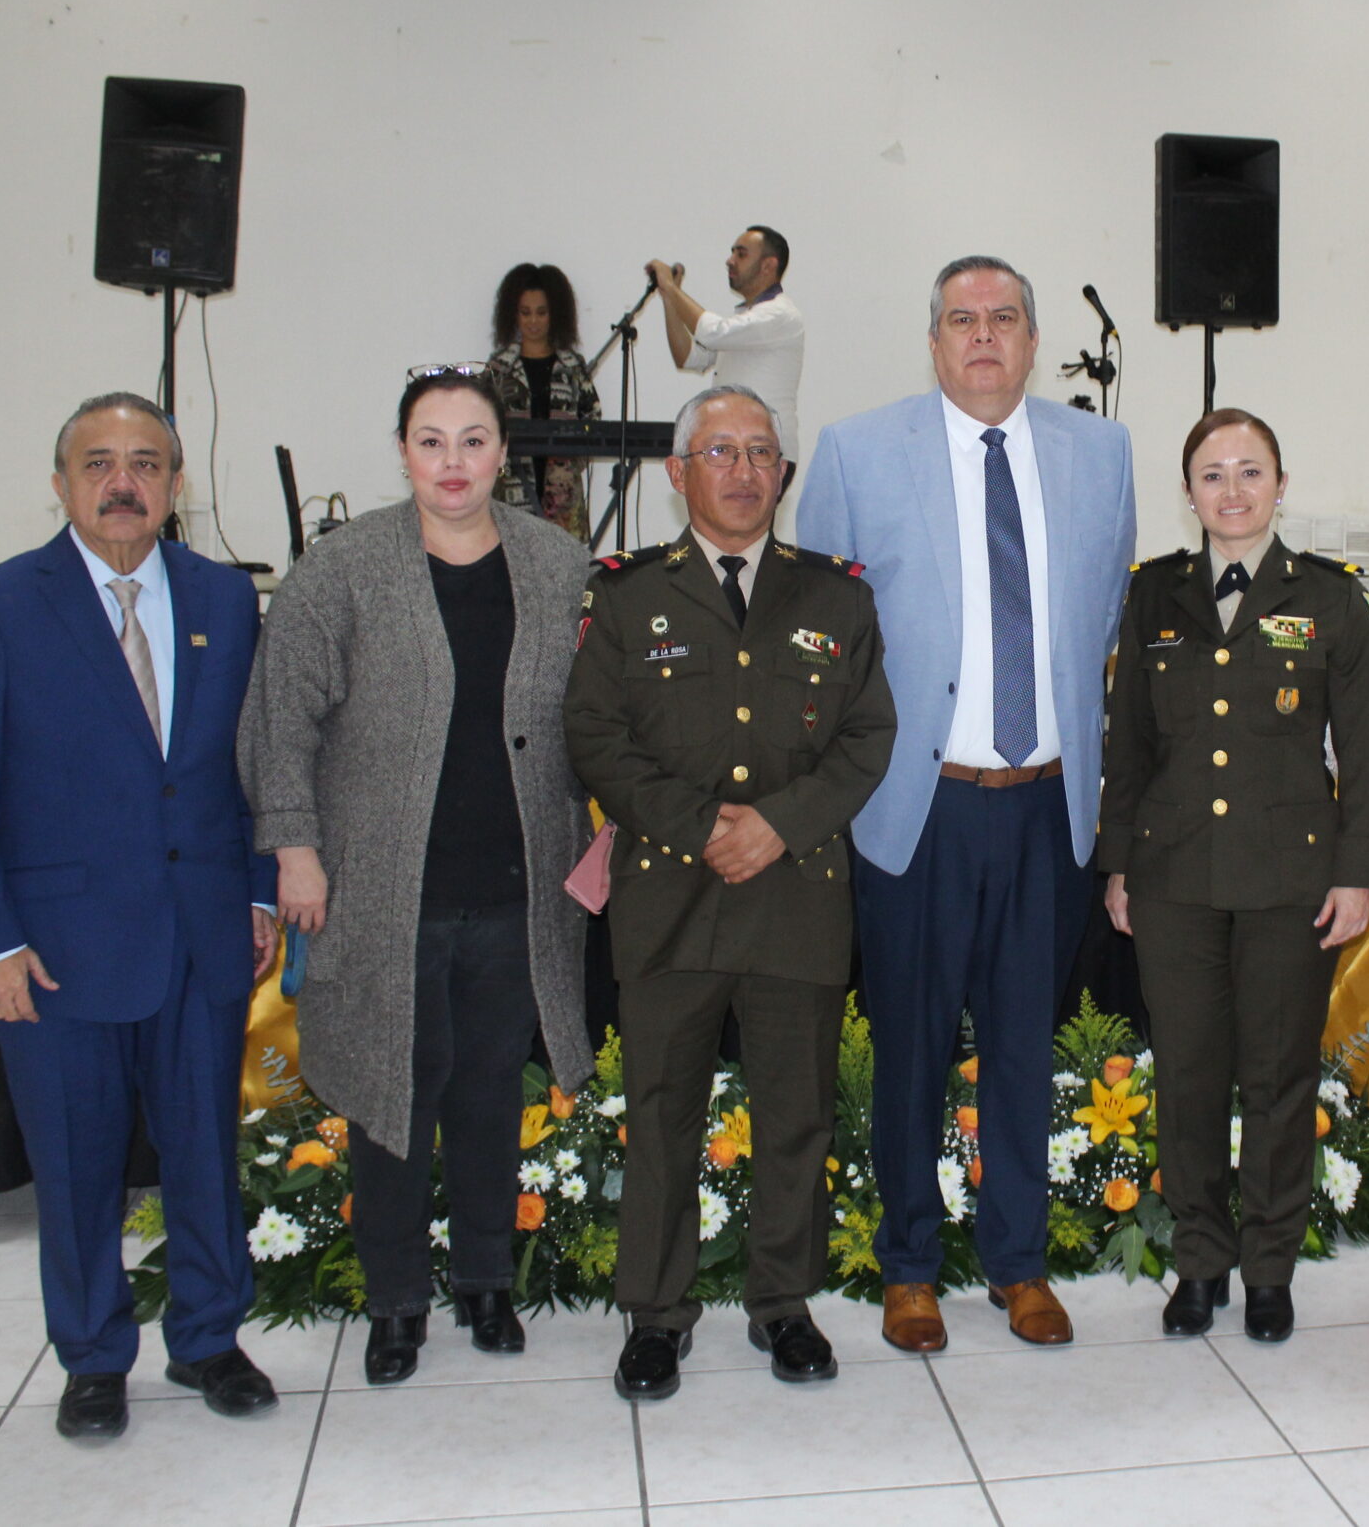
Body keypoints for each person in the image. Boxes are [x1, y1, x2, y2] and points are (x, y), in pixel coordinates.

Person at [0, 391, 279, 1439]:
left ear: (176, 483)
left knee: (204, 1154)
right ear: (61, 483)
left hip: (202, 937)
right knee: (77, 1167)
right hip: (55, 953)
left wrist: (258, 888)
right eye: (99, 463)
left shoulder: (225, 597)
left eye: (145, 463)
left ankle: (208, 1337)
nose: (123, 483)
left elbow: (255, 765)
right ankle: (92, 1355)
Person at [800, 255, 1136, 1353]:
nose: (983, 336)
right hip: (919, 806)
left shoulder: (1101, 454)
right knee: (911, 1047)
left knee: (1024, 1044)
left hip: (1048, 808)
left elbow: (1104, 623)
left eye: (1003, 318)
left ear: (1033, 342)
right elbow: (822, 638)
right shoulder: (857, 451)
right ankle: (908, 1267)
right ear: (934, 341)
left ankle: (1018, 1261)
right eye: (961, 319)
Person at [237, 366, 593, 1385]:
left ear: (503, 453)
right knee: (390, 1091)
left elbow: (600, 713)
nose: (453, 462)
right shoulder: (342, 569)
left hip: (517, 886)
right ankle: (395, 1299)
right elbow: (280, 721)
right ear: (402, 453)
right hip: (382, 890)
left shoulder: (557, 564)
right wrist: (294, 848)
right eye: (431, 441)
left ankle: (484, 1280)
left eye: (473, 440)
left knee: (489, 1090)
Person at [563, 386, 897, 1400]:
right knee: (662, 1114)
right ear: (678, 473)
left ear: (782, 474)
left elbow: (868, 736)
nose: (744, 470)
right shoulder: (625, 596)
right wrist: (703, 824)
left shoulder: (837, 597)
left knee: (795, 1115)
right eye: (720, 451)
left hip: (796, 892)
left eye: (760, 453)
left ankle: (782, 1303)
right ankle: (656, 1314)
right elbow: (595, 737)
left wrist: (779, 824)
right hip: (670, 896)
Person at [1100, 408, 1369, 1343]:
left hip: (1288, 880)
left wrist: (1357, 872)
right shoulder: (1154, 593)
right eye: (1213, 474)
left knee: (1277, 1078)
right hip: (1174, 876)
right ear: (1189, 493)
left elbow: (1367, 750)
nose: (1233, 490)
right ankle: (1199, 1261)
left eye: (1250, 471)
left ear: (1281, 484)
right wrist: (1119, 864)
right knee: (1188, 1076)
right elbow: (1128, 740)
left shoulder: (1332, 599)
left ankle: (1269, 1267)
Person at [648, 226, 805, 485]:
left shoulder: (779, 314)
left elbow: (712, 333)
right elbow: (689, 357)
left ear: (768, 265)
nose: (730, 261)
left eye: (741, 254)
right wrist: (668, 296)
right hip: (742, 448)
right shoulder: (747, 318)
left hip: (765, 451)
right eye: (732, 253)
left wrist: (672, 288)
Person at [484, 262, 598, 532]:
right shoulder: (499, 367)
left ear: (555, 315)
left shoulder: (572, 366)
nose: (533, 321)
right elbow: (484, 423)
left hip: (562, 494)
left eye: (541, 313)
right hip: (511, 490)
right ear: (513, 314)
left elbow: (592, 419)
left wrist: (568, 467)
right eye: (525, 313)